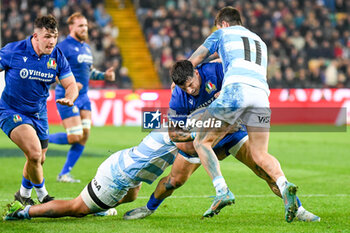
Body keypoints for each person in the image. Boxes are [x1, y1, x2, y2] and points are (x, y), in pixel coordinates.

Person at [123, 62, 320, 222]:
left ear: (197, 73)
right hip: (200, 142)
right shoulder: (178, 96)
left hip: (231, 132)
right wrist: (198, 133)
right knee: (172, 183)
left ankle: (300, 210)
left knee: (263, 171)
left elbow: (241, 85)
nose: (190, 90)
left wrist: (227, 92)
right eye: (185, 88)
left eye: (192, 84)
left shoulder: (215, 70)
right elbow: (174, 134)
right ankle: (149, 208)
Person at [182, 7, 299, 222]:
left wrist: (176, 79)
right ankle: (284, 184)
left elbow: (195, 60)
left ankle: (222, 190)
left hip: (236, 91)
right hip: (261, 97)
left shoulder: (222, 33)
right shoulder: (260, 41)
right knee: (260, 154)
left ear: (224, 24)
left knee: (201, 142)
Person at [3, 128, 244, 221]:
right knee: (76, 208)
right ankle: (25, 211)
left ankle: (104, 206)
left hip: (120, 162)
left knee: (131, 196)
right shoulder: (184, 138)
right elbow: (195, 148)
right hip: (116, 178)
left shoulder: (177, 123)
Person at [0, 15, 78, 205]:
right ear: (35, 36)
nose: (51, 41)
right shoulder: (13, 50)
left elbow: (71, 84)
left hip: (39, 113)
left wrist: (70, 97)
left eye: (55, 36)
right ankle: (43, 196)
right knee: (34, 153)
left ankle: (23, 195)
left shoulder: (57, 56)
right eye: (47, 36)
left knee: (39, 159)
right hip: (11, 110)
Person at [48, 12, 115, 183]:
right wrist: (67, 85)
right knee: (75, 136)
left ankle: (64, 174)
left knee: (84, 136)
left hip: (84, 96)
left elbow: (89, 71)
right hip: (67, 96)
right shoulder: (63, 46)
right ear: (71, 27)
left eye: (85, 25)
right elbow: (50, 69)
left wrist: (104, 76)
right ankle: (41, 136)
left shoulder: (86, 47)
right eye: (80, 26)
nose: (84, 28)